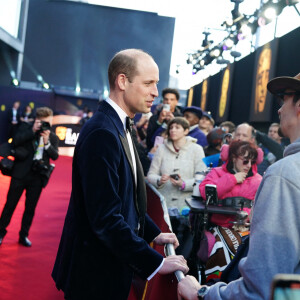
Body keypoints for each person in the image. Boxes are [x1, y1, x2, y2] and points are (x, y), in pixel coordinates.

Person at [52, 49, 188, 300]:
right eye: (149, 83)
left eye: (156, 84)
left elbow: (126, 196)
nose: (156, 93)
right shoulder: (103, 132)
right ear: (123, 81)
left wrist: (152, 233)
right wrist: (156, 262)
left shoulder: (120, 125)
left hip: (107, 268)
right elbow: (105, 218)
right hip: (94, 275)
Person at [178, 72, 300, 300]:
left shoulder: (282, 175)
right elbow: (205, 191)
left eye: (285, 98)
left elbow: (262, 289)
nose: (280, 109)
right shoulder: (220, 171)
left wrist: (202, 294)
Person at [0, 107, 59, 247]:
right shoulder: (26, 128)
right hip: (20, 174)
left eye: (47, 122)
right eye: (42, 122)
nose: (45, 125)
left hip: (37, 177)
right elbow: (15, 142)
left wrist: (47, 143)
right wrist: (32, 130)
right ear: (36, 120)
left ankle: (23, 235)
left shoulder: (52, 137)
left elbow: (55, 156)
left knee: (30, 209)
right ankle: (0, 233)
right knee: (10, 205)